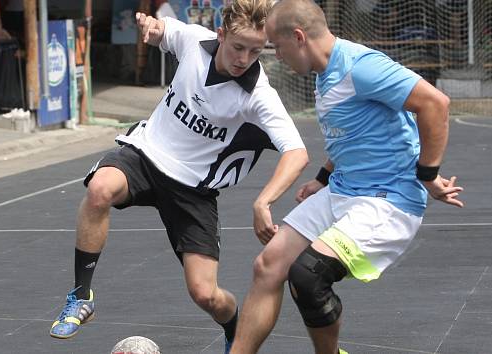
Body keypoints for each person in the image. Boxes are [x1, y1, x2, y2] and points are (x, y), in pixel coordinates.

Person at [49, 1, 309, 353]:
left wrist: (264, 200)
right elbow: (162, 32)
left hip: (192, 190)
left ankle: (233, 326)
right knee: (100, 188)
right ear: (221, 35)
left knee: (206, 294)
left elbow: (297, 152)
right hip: (145, 154)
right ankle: (81, 297)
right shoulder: (194, 41)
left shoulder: (258, 95)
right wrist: (150, 26)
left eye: (255, 50)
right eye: (237, 47)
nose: (244, 58)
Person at [229, 0, 464, 353]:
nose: (277, 56)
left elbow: (435, 104)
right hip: (343, 190)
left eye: (277, 47)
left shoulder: (362, 67)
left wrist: (428, 175)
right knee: (269, 264)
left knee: (307, 276)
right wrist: (322, 178)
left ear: (298, 37)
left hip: (387, 201)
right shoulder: (325, 75)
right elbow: (353, 134)